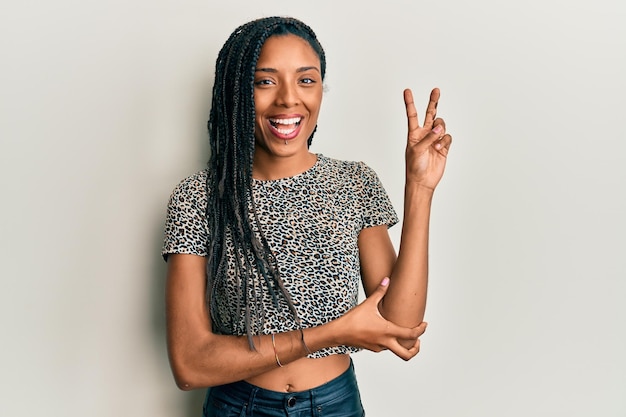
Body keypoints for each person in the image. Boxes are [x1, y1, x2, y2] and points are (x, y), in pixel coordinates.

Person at [162, 16, 452, 417]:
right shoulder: (198, 198)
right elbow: (191, 363)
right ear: (237, 93)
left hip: (336, 404)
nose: (288, 99)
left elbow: (399, 326)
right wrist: (329, 334)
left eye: (306, 80)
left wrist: (419, 188)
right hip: (238, 406)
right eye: (265, 81)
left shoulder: (354, 183)